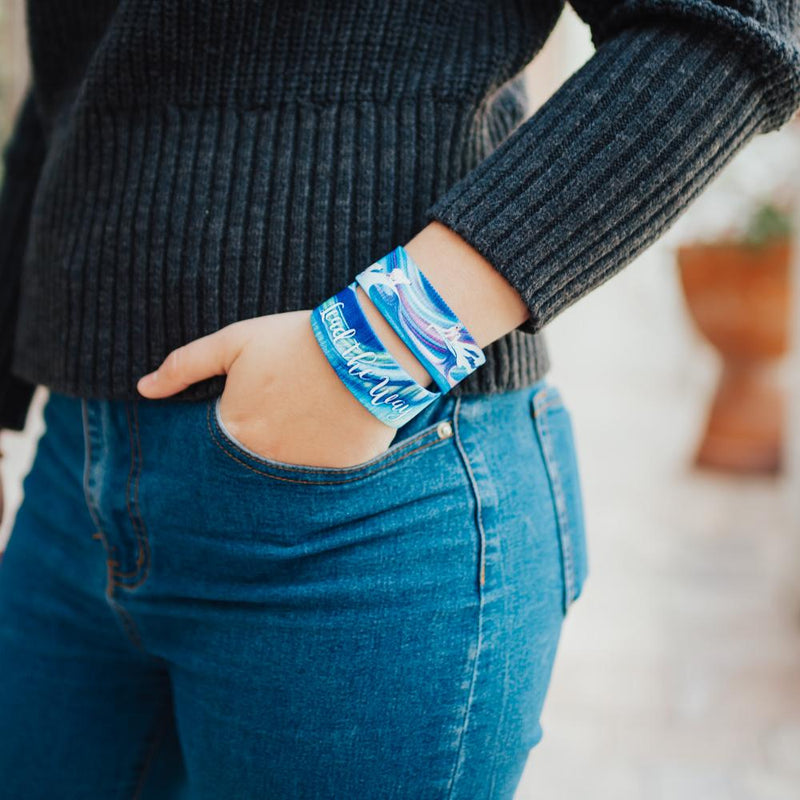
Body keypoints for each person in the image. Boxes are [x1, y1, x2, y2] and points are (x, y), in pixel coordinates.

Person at [1, 1, 799, 797]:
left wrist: (370, 350)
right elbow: (72, 94)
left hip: (369, 498)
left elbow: (730, 24)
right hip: (72, 481)